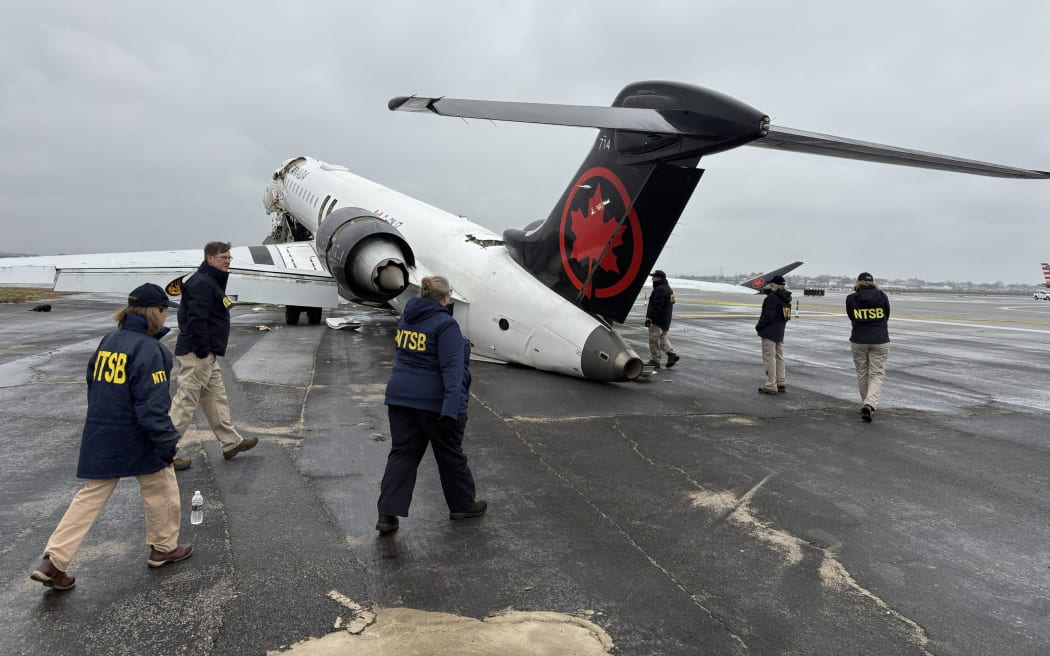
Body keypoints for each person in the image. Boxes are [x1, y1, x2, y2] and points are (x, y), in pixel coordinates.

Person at [30, 283, 192, 591]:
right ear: (153, 313)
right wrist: (167, 442)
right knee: (161, 484)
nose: (164, 316)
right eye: (163, 310)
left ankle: (54, 561)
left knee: (90, 496)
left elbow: (93, 382)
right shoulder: (151, 350)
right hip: (137, 434)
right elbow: (153, 406)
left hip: (102, 429)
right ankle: (164, 547)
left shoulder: (110, 340)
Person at [376, 275, 486, 533]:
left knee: (403, 454)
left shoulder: (406, 319)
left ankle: (387, 515)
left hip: (400, 399)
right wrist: (453, 409)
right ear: (446, 299)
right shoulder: (445, 325)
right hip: (433, 404)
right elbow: (452, 370)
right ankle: (462, 504)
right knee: (450, 454)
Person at [170, 241, 257, 470]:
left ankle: (231, 443)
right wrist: (201, 349)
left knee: (216, 398)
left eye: (229, 257)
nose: (227, 261)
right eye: (223, 257)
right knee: (185, 402)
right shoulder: (202, 283)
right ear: (210, 259)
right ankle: (162, 454)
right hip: (197, 353)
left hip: (206, 354)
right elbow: (195, 319)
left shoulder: (209, 280)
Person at [846, 272, 891, 422]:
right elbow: (887, 315)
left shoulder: (851, 298)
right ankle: (870, 404)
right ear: (873, 282)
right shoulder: (882, 296)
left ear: (858, 283)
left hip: (859, 339)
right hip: (880, 339)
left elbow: (851, 316)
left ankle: (867, 403)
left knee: (862, 373)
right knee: (877, 374)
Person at [756, 274, 792, 394]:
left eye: (772, 284)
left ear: (774, 285)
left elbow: (768, 316)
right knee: (779, 357)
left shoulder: (772, 298)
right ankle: (781, 382)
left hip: (769, 332)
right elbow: (786, 317)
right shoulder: (787, 298)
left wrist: (759, 326)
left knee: (769, 358)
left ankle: (771, 385)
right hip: (780, 332)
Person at [644, 270, 680, 369]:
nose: (652, 279)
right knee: (663, 338)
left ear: (659, 278)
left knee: (653, 340)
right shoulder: (668, 289)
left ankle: (655, 361)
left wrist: (650, 318)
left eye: (654, 277)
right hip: (666, 320)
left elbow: (657, 306)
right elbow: (672, 302)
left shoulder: (660, 289)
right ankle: (671, 354)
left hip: (657, 320)